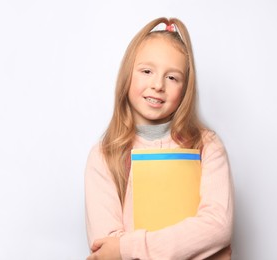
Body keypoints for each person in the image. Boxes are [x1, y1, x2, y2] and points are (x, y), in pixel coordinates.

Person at [85, 17, 234, 260]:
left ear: (186, 88)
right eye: (146, 71)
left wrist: (126, 249)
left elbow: (217, 226)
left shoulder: (207, 146)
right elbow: (105, 250)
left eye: (172, 77)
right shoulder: (105, 155)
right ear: (127, 75)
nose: (157, 85)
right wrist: (196, 247)